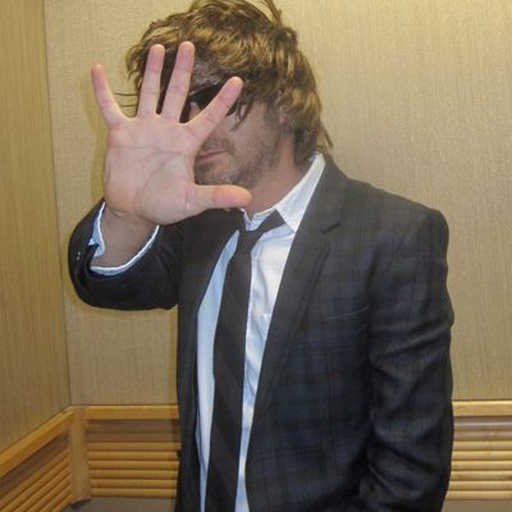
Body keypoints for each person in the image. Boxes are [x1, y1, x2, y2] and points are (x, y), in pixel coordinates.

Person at [68, 0, 454, 511]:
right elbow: (106, 285)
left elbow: (410, 471)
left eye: (213, 98)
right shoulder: (195, 224)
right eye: (179, 108)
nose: (194, 124)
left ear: (285, 101)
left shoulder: (394, 237)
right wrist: (128, 212)